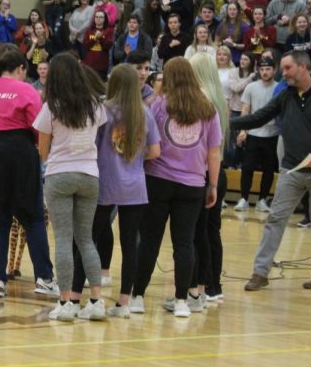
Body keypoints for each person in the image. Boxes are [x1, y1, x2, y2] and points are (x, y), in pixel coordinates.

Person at [236, 50, 311, 291]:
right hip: (291, 169)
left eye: (286, 68)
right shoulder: (286, 94)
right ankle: (260, 272)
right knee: (275, 218)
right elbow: (259, 118)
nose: (282, 73)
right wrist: (226, 121)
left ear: (303, 68)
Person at [132, 58, 221, 318]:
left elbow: (146, 141)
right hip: (193, 183)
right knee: (184, 243)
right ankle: (182, 300)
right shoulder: (208, 108)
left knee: (149, 240)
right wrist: (213, 184)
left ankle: (137, 296)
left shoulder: (158, 105)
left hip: (157, 180)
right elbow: (213, 152)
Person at [0, 47, 57, 299]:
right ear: (20, 68)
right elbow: (38, 127)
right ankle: (44, 278)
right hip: (18, 153)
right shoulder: (26, 89)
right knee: (34, 217)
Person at [34, 52, 107, 321]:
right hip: (90, 175)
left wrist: (55, 159)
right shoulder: (95, 105)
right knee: (86, 239)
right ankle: (97, 301)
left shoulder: (51, 106)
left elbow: (43, 148)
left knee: (63, 239)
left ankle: (65, 304)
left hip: (60, 175)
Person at [91, 64, 160, 318]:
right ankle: (124, 303)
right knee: (130, 245)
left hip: (106, 184)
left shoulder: (103, 111)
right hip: (135, 187)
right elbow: (155, 152)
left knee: (90, 240)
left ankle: (91, 296)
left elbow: (94, 146)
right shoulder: (145, 112)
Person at [189, 53, 229, 304]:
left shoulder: (201, 98)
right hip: (219, 170)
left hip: (203, 172)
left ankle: (200, 286)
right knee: (212, 231)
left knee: (198, 233)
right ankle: (213, 285)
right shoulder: (219, 98)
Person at [234, 57, 279, 213]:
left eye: (268, 69)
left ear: (274, 70)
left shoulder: (280, 88)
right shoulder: (251, 87)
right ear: (258, 70)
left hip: (272, 134)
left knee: (268, 169)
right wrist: (243, 130)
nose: (265, 72)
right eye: (262, 69)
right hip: (253, 133)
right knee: (247, 167)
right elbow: (245, 109)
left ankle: (262, 200)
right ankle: (244, 198)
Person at [81, 10, 114, 79]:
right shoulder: (89, 30)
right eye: (96, 17)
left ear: (105, 19)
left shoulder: (109, 31)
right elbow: (85, 45)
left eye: (101, 17)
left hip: (101, 65)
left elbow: (107, 46)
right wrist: (95, 39)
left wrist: (101, 38)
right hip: (88, 64)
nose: (98, 19)